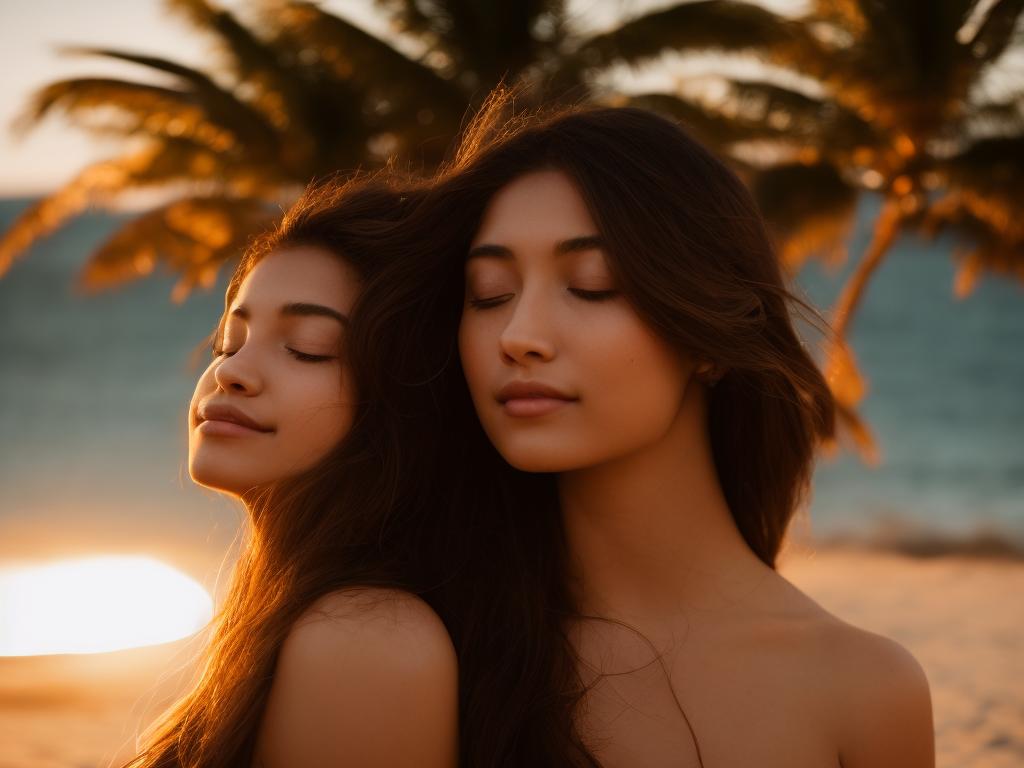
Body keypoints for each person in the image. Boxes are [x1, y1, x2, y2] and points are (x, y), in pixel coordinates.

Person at [421, 92, 936, 767]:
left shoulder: (866, 690)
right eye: (489, 293)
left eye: (592, 284)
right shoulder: (429, 651)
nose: (517, 336)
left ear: (709, 335)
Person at [123, 175, 462, 768]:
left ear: (406, 401)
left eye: (306, 347)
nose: (232, 373)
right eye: (228, 342)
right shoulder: (304, 612)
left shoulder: (367, 638)